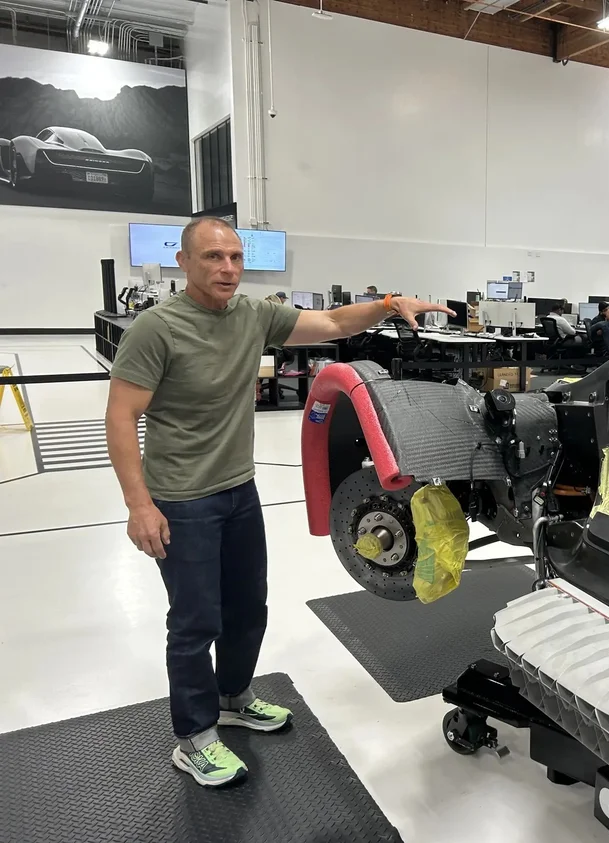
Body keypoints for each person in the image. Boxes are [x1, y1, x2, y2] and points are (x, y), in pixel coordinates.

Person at [105, 217, 452, 789]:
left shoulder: (253, 314)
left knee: (248, 607)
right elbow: (121, 416)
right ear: (184, 262)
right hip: (182, 499)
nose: (227, 268)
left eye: (235, 257)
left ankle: (233, 698)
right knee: (195, 621)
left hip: (239, 490)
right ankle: (194, 737)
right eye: (213, 257)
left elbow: (335, 322)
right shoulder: (156, 328)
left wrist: (390, 304)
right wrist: (139, 505)